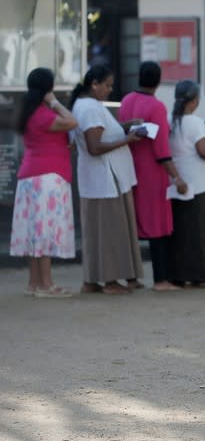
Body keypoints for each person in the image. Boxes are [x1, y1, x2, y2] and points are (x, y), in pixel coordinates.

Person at [70, 65, 144, 294]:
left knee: (98, 231)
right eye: (107, 85)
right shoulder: (89, 108)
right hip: (105, 178)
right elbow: (95, 146)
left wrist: (124, 126)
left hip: (102, 179)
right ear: (94, 84)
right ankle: (110, 281)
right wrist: (128, 140)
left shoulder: (87, 106)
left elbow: (103, 134)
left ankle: (93, 279)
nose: (110, 90)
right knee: (109, 232)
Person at [118, 61, 187, 291]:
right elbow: (161, 149)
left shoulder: (127, 100)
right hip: (152, 172)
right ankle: (161, 279)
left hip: (130, 166)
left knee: (133, 222)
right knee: (157, 224)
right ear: (158, 81)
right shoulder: (157, 107)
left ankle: (131, 277)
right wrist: (176, 176)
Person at [10, 67, 78, 297]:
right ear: (48, 88)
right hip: (48, 177)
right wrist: (55, 101)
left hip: (30, 176)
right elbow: (72, 121)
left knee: (34, 231)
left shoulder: (28, 112)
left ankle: (34, 282)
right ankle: (47, 284)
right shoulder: (44, 114)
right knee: (45, 230)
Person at [167, 79, 205, 287]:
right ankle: (200, 275)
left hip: (176, 182)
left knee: (180, 232)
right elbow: (203, 150)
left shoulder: (168, 120)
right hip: (198, 184)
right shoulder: (195, 122)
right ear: (194, 101)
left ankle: (179, 274)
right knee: (199, 232)